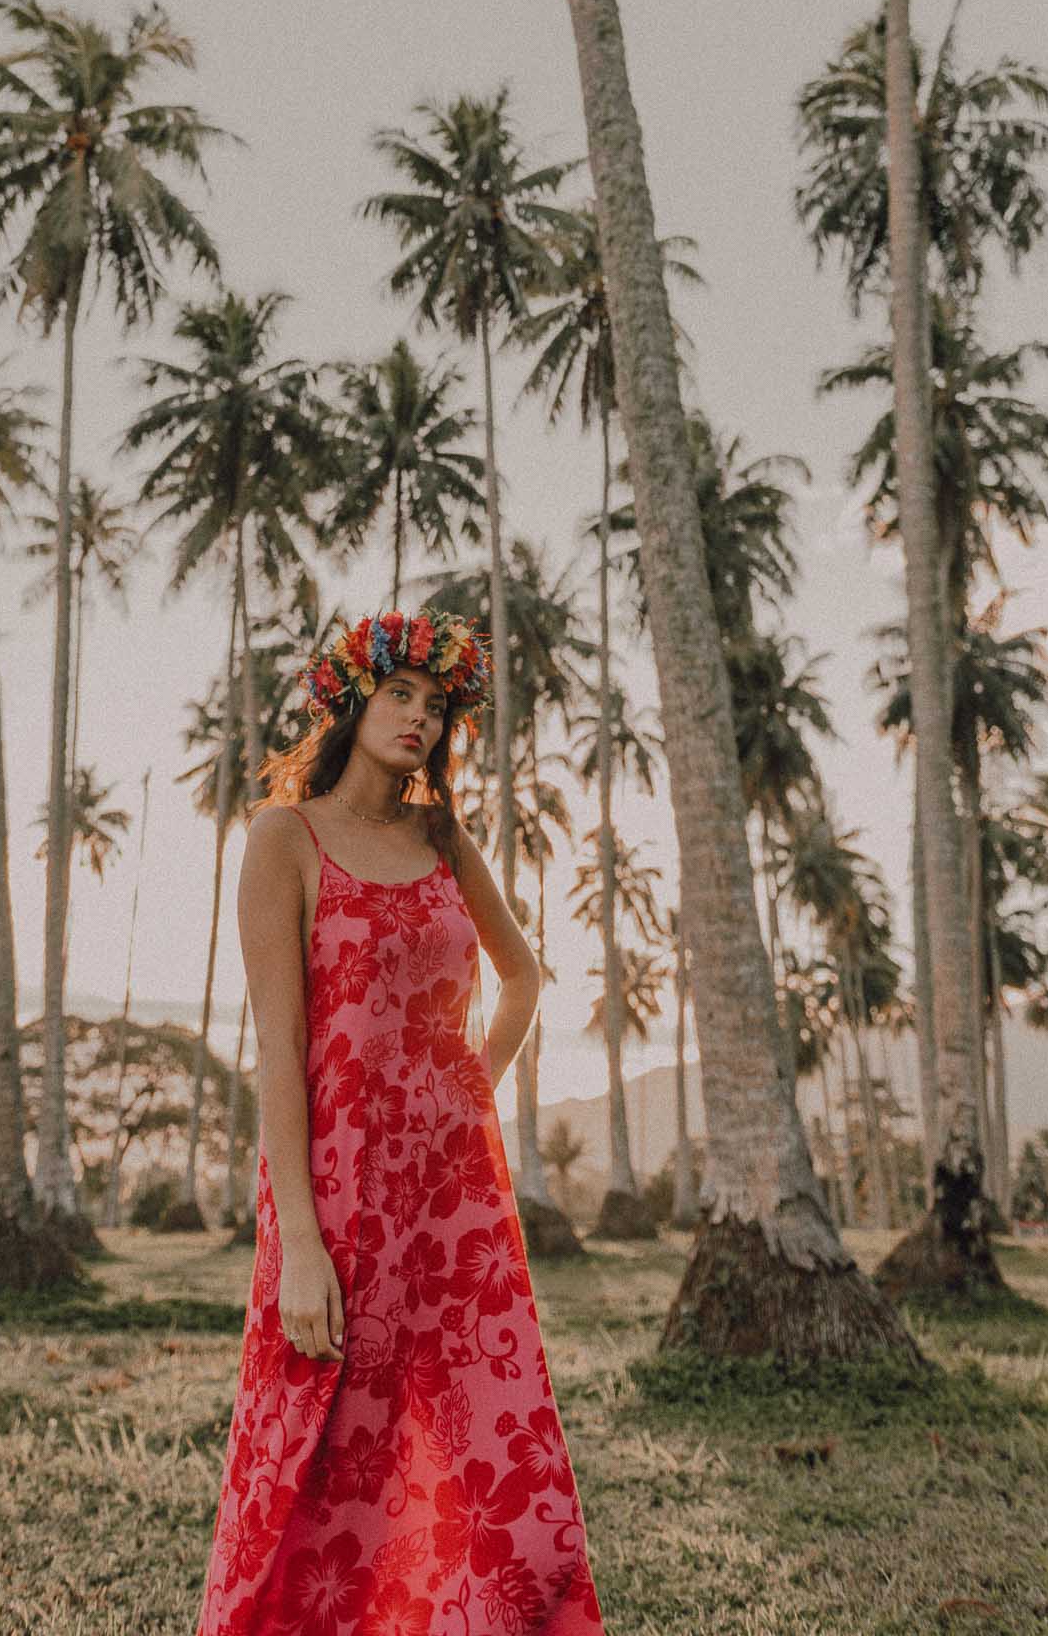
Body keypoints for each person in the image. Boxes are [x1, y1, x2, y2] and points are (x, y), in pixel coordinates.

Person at [195, 606, 607, 1634]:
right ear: (351, 700)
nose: (419, 717)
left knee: (496, 1456)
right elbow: (282, 1057)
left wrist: (474, 1085)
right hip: (335, 1194)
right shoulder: (283, 837)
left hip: (457, 1202)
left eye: (437, 704)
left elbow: (521, 979)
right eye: (400, 695)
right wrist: (298, 1237)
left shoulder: (440, 837)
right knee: (326, 1454)